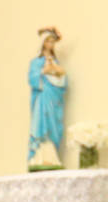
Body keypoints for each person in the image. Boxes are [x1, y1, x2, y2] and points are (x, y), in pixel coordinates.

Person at [27, 28, 67, 171]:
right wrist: (45, 71)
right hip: (42, 97)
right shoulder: (36, 62)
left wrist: (56, 71)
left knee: (53, 125)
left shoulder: (55, 61)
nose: (51, 44)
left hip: (53, 97)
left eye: (53, 42)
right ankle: (39, 156)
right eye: (48, 41)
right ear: (43, 43)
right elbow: (32, 78)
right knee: (41, 123)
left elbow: (62, 79)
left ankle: (52, 157)